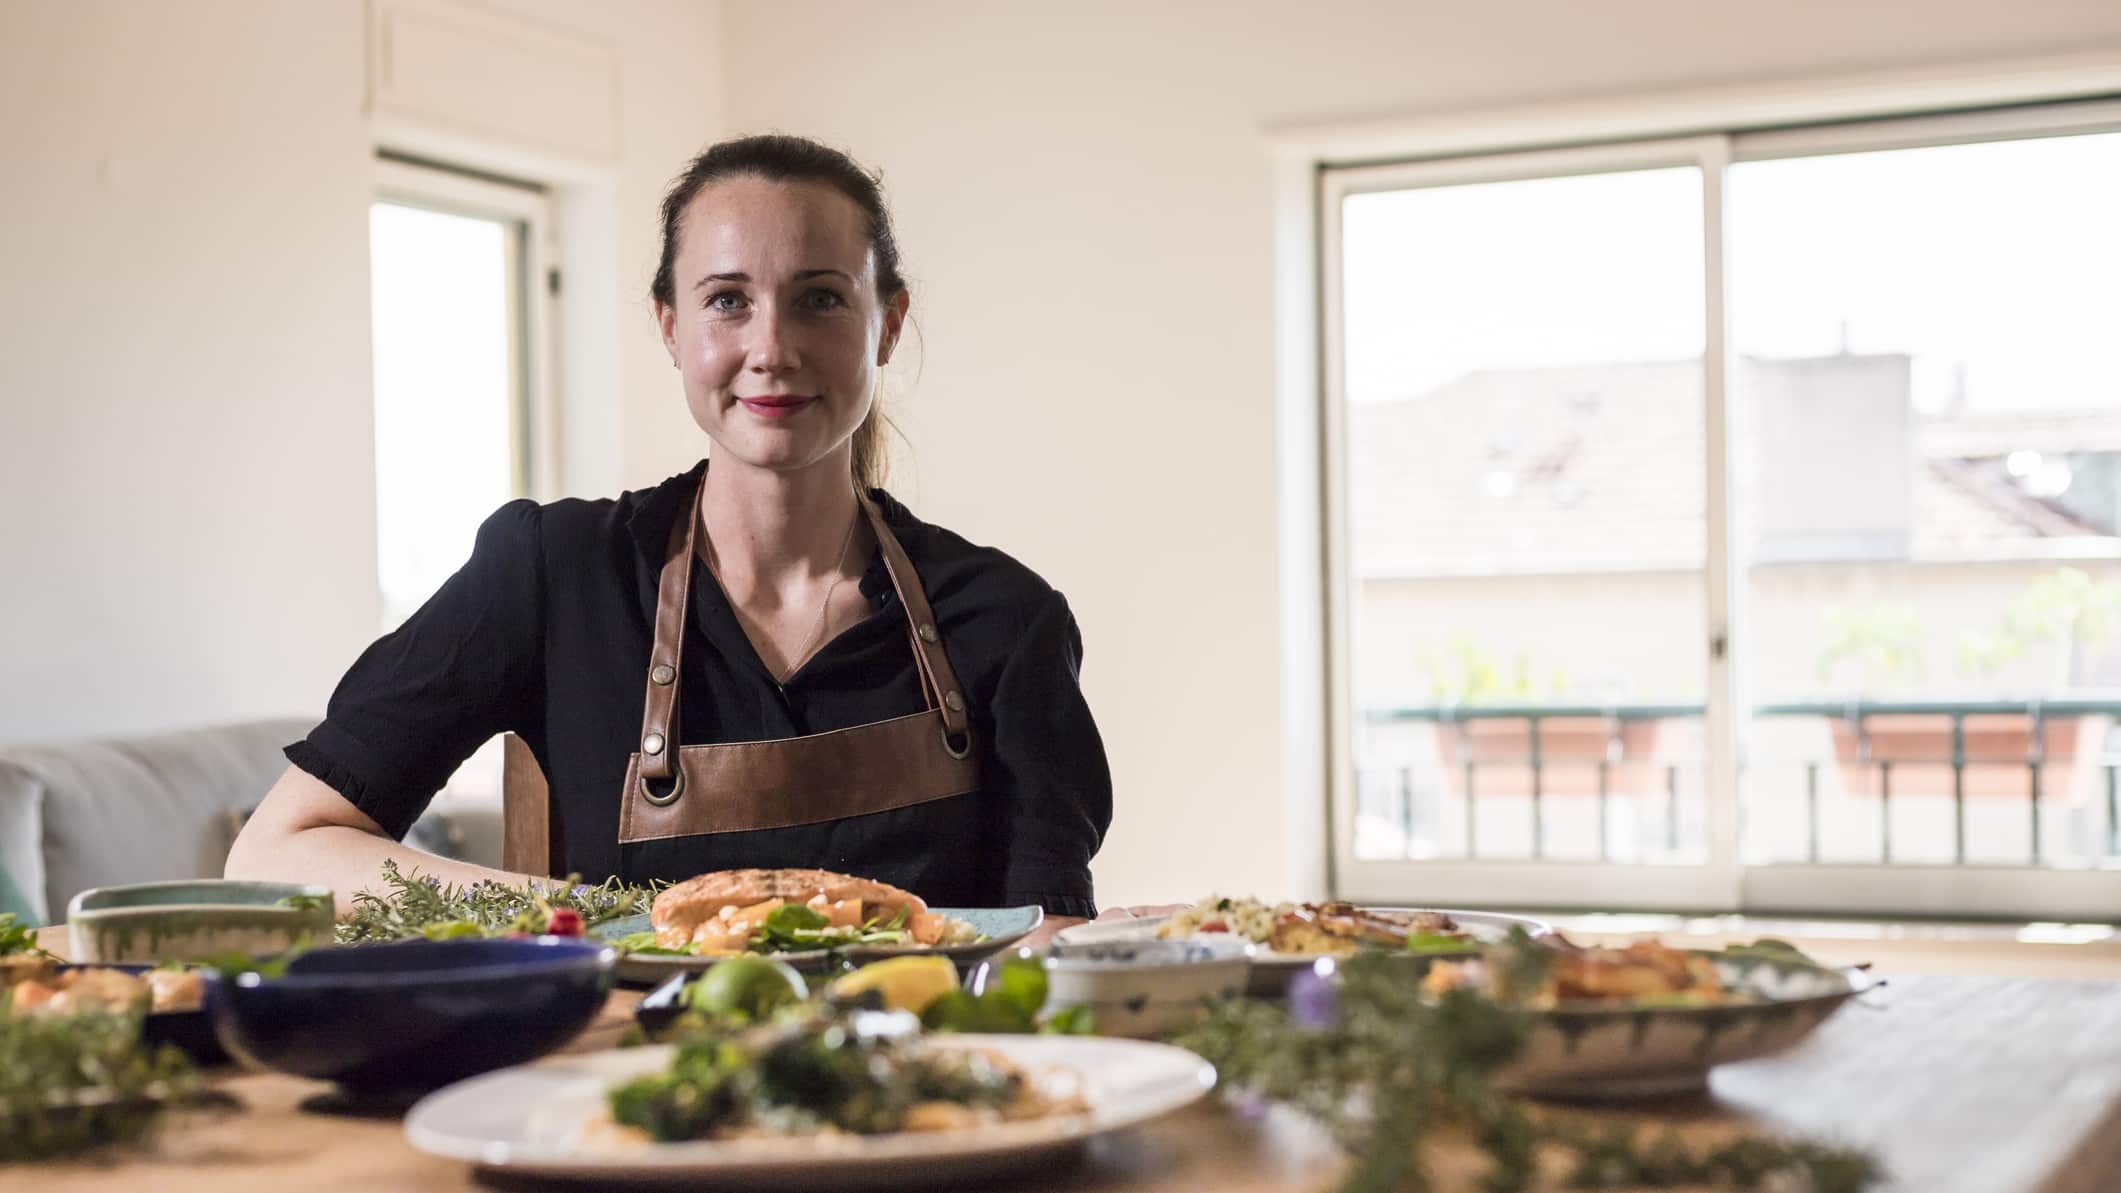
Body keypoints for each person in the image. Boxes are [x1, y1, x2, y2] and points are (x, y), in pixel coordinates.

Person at [227, 135, 1112, 940]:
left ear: (887, 322)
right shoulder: (556, 575)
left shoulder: (1005, 620)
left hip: (917, 1094)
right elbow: (278, 850)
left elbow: (1047, 941)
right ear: (669, 326)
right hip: (623, 1092)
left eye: (819, 300)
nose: (772, 347)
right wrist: (574, 917)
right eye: (728, 300)